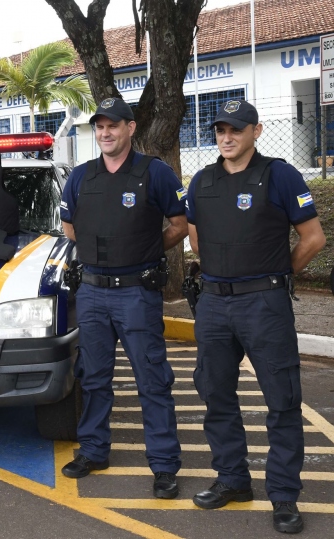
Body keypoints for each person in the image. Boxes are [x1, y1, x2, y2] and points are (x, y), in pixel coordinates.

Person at [187, 99, 326, 534]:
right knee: (216, 395)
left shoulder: (279, 175)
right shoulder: (202, 180)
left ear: (256, 132)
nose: (227, 137)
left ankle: (283, 496)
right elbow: (194, 237)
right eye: (220, 130)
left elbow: (313, 238)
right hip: (212, 303)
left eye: (236, 130)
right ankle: (232, 479)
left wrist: (280, 271)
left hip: (264, 304)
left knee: (281, 402)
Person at [59, 98, 188, 499]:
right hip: (93, 293)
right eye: (99, 127)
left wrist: (144, 251)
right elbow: (69, 228)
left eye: (113, 126)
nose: (105, 133)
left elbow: (180, 225)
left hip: (137, 294)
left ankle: (164, 466)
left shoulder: (155, 173)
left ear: (131, 128)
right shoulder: (81, 176)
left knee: (152, 380)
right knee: (93, 378)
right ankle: (94, 451)